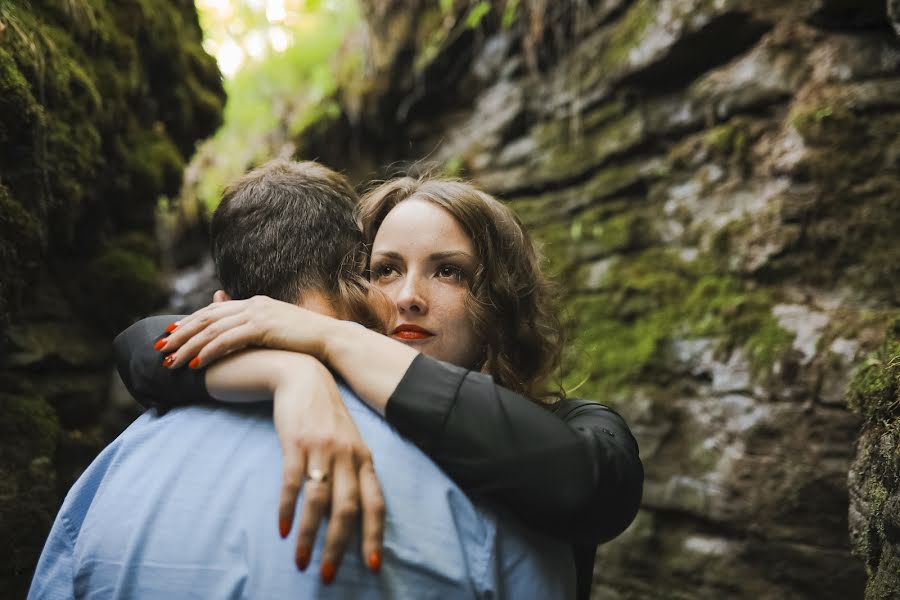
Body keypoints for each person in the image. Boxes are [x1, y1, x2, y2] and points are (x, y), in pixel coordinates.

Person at [28, 160, 575, 599]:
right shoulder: (498, 502)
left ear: (221, 305)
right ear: (355, 287)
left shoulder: (112, 469)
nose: (409, 298)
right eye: (386, 269)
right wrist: (292, 370)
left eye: (449, 271)